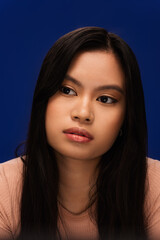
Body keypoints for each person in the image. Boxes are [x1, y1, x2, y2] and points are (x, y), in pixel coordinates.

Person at [0, 26, 160, 240]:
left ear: (126, 117)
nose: (83, 113)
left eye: (105, 99)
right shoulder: (4, 187)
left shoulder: (155, 187)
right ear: (43, 100)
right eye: (67, 90)